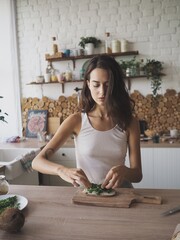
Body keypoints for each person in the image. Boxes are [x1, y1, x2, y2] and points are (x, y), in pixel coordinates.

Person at [32, 55, 142, 189]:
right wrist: (62, 170)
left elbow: (137, 175)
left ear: (116, 86)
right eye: (96, 85)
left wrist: (125, 171)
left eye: (108, 85)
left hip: (122, 194)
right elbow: (37, 162)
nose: (102, 92)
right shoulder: (76, 121)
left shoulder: (130, 122)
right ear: (88, 84)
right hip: (87, 195)